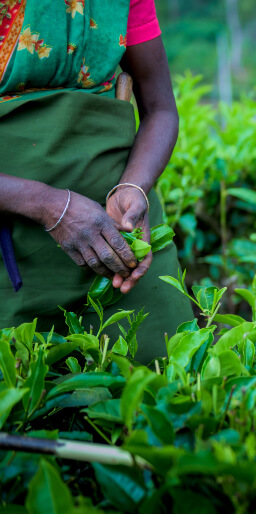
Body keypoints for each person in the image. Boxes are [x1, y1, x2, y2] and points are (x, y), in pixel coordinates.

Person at [0, 0, 193, 362]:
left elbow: (160, 109)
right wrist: (49, 206)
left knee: (168, 385)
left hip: (121, 237)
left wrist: (133, 188)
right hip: (11, 243)